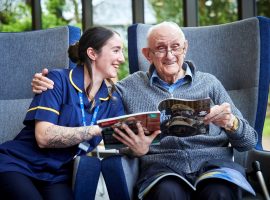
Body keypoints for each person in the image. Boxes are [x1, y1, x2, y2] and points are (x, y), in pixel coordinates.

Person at [31, 22, 257, 200]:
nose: (169, 55)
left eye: (175, 47)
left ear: (185, 48)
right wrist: (46, 81)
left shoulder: (210, 83)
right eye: (160, 48)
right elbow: (91, 88)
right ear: (147, 54)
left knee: (220, 192)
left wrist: (231, 123)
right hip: (162, 168)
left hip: (213, 164)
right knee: (168, 194)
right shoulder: (125, 88)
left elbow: (248, 142)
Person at [0, 26, 126, 200]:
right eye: (116, 50)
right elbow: (43, 137)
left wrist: (140, 145)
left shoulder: (113, 99)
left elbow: (119, 144)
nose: (122, 58)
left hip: (57, 175)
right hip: (18, 164)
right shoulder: (55, 80)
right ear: (92, 53)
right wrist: (98, 129)